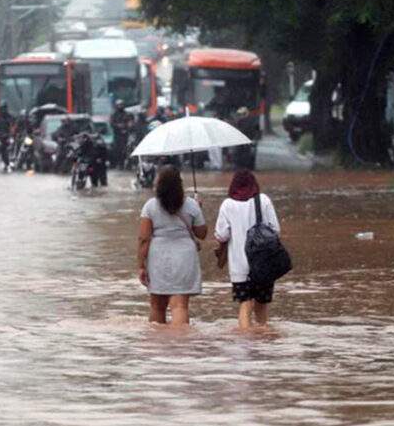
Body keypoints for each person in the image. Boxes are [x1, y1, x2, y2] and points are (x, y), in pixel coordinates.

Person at [137, 165, 207, 326]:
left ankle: (157, 345)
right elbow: (202, 234)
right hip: (185, 257)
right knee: (180, 306)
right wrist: (199, 209)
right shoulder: (191, 205)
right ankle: (180, 346)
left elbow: (143, 238)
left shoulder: (150, 206)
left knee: (157, 305)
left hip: (158, 257)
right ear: (180, 184)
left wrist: (141, 266)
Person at [214, 169, 280, 328]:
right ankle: (261, 343)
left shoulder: (227, 205)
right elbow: (276, 231)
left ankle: (245, 344)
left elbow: (221, 235)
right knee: (261, 306)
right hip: (263, 265)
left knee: (245, 305)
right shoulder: (263, 201)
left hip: (239, 267)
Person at [0, 103, 15, 171]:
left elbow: (13, 121)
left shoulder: (7, 116)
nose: (4, 110)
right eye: (3, 108)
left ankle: (7, 163)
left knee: (3, 150)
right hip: (0, 136)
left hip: (5, 136)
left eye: (4, 108)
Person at [110, 99, 131, 169]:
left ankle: (128, 164)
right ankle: (119, 163)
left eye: (121, 105)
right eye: (119, 105)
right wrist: (118, 126)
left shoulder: (126, 114)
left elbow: (130, 123)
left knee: (127, 149)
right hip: (117, 135)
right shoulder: (114, 115)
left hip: (125, 135)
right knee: (117, 150)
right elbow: (112, 123)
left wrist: (126, 127)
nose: (120, 106)